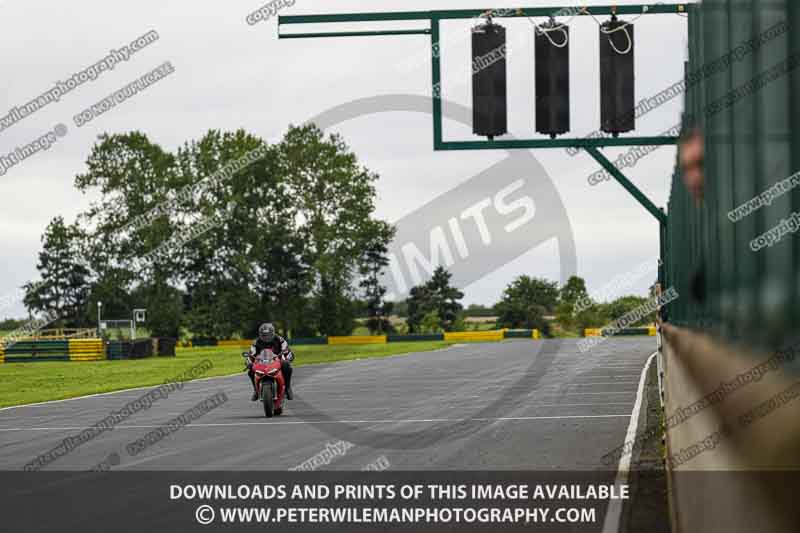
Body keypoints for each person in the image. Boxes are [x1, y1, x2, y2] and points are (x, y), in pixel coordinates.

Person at [247, 323, 294, 401]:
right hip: (261, 363)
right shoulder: (256, 342)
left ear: (273, 333)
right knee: (250, 370)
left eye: (268, 335)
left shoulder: (280, 340)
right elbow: (251, 354)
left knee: (287, 366)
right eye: (264, 335)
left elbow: (287, 351)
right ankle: (256, 390)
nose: (266, 337)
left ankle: (288, 388)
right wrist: (249, 362)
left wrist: (288, 358)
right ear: (260, 334)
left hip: (277, 361)